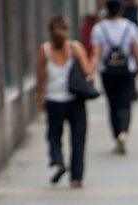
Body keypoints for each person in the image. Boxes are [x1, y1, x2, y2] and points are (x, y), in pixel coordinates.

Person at [37, 16, 94, 189]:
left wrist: (40, 96)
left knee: (54, 135)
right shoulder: (75, 47)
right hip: (74, 100)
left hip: (54, 100)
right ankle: (76, 178)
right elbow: (88, 70)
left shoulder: (45, 49)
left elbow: (41, 76)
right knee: (78, 139)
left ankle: (58, 161)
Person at [91, 0, 138, 155]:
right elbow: (136, 51)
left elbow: (96, 53)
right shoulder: (130, 27)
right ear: (120, 10)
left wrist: (90, 72)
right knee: (125, 103)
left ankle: (116, 135)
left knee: (112, 104)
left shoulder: (99, 29)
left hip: (107, 71)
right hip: (127, 70)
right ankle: (124, 131)